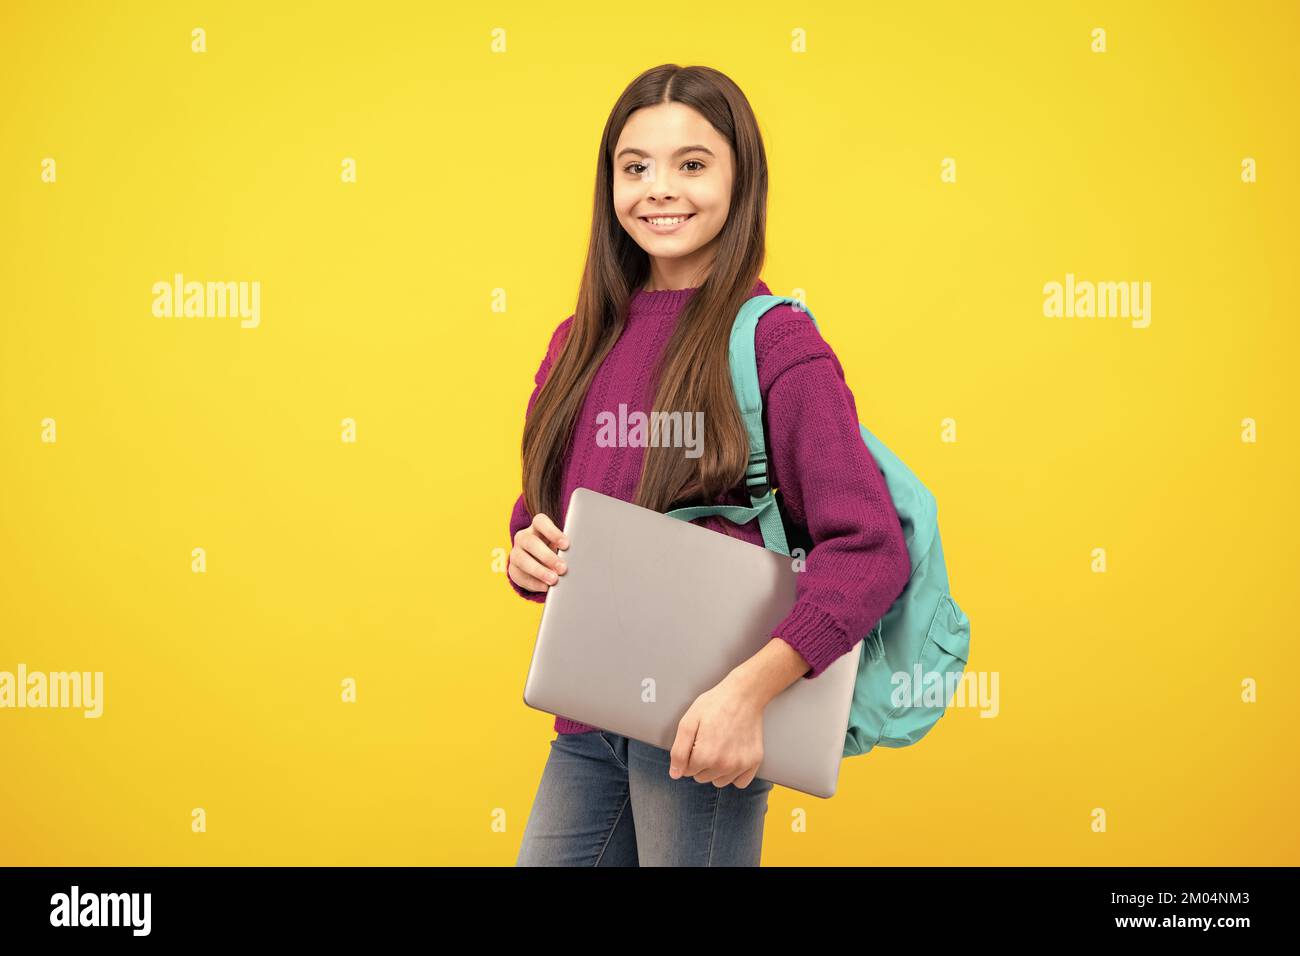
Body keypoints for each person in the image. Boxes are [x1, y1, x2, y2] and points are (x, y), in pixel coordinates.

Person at [506, 63, 911, 866]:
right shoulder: (577, 340)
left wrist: (747, 695)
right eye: (635, 167)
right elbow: (546, 507)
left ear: (740, 179)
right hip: (591, 717)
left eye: (692, 164)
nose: (660, 189)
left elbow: (869, 549)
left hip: (708, 725)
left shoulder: (776, 343)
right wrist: (526, 550)